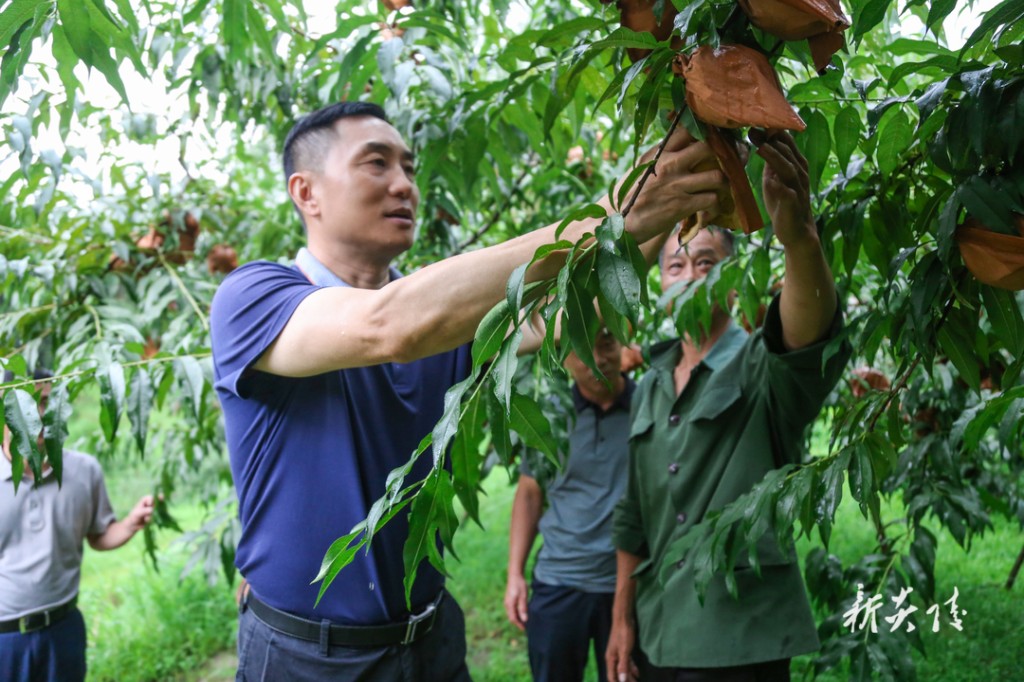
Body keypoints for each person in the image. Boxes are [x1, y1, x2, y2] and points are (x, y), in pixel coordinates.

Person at [209, 100, 729, 681]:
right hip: (308, 656)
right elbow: (390, 326)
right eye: (376, 163)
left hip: (431, 639)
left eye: (409, 167)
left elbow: (575, 312)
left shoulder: (446, 314)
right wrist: (613, 215)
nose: (404, 183)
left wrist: (670, 189)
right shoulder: (252, 296)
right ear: (307, 193)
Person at [605, 131, 853, 682]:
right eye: (675, 265)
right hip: (661, 630)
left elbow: (805, 342)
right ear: (658, 283)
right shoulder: (649, 384)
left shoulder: (760, 369)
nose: (690, 275)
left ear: (733, 279)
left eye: (707, 261)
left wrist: (800, 240)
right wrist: (622, 619)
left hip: (743, 639)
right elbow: (633, 518)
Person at [0, 369, 158, 682]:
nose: (38, 414)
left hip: (64, 628)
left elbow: (99, 535)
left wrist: (129, 524)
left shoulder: (83, 471)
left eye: (47, 402)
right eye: (26, 402)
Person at [505, 327, 635, 682]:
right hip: (559, 582)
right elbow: (530, 492)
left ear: (624, 342)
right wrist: (515, 573)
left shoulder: (652, 407)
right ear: (563, 357)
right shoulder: (549, 417)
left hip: (630, 587)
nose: (598, 357)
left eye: (607, 341)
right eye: (582, 346)